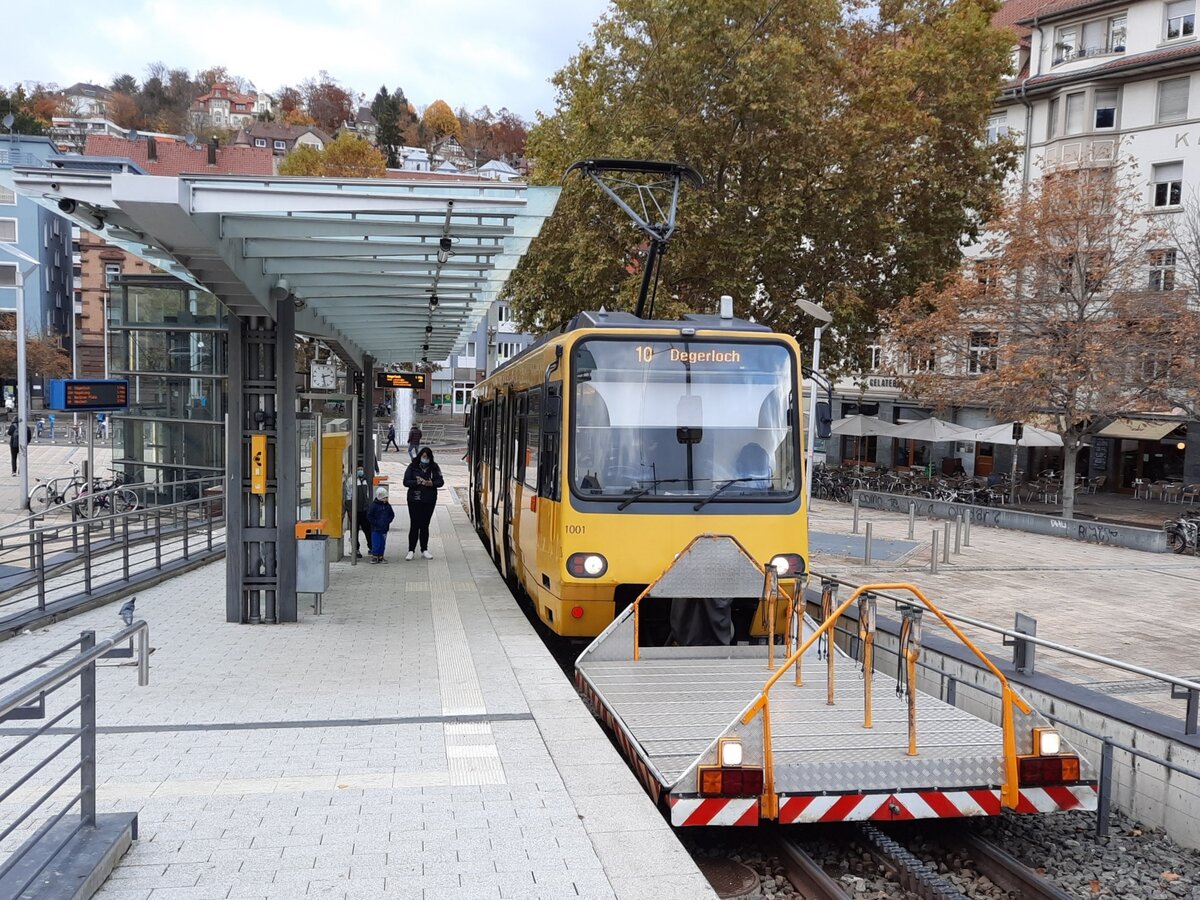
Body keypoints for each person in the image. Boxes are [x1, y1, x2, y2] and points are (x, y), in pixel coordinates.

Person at [403, 447, 443, 560]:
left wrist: (432, 483)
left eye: (427, 457)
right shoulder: (412, 467)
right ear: (420, 456)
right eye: (423, 456)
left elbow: (440, 481)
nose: (425, 459)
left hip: (429, 500)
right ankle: (411, 550)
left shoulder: (434, 468)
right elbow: (405, 482)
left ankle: (424, 549)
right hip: (414, 499)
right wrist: (417, 482)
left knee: (425, 525)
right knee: (415, 524)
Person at [343, 467, 372, 559]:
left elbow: (366, 494)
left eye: (362, 469)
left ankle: (371, 547)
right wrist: (350, 508)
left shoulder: (364, 480)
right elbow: (348, 495)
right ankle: (356, 549)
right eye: (359, 469)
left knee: (367, 529)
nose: (361, 471)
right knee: (354, 530)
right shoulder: (351, 481)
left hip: (364, 509)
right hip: (354, 509)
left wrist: (367, 506)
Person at [366, 486, 396, 563]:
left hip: (384, 528)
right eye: (384, 498)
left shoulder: (388, 506)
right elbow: (369, 516)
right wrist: (375, 523)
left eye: (386, 498)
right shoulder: (374, 506)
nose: (386, 499)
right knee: (376, 543)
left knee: (382, 543)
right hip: (375, 529)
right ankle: (375, 556)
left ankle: (381, 556)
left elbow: (391, 514)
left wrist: (388, 521)